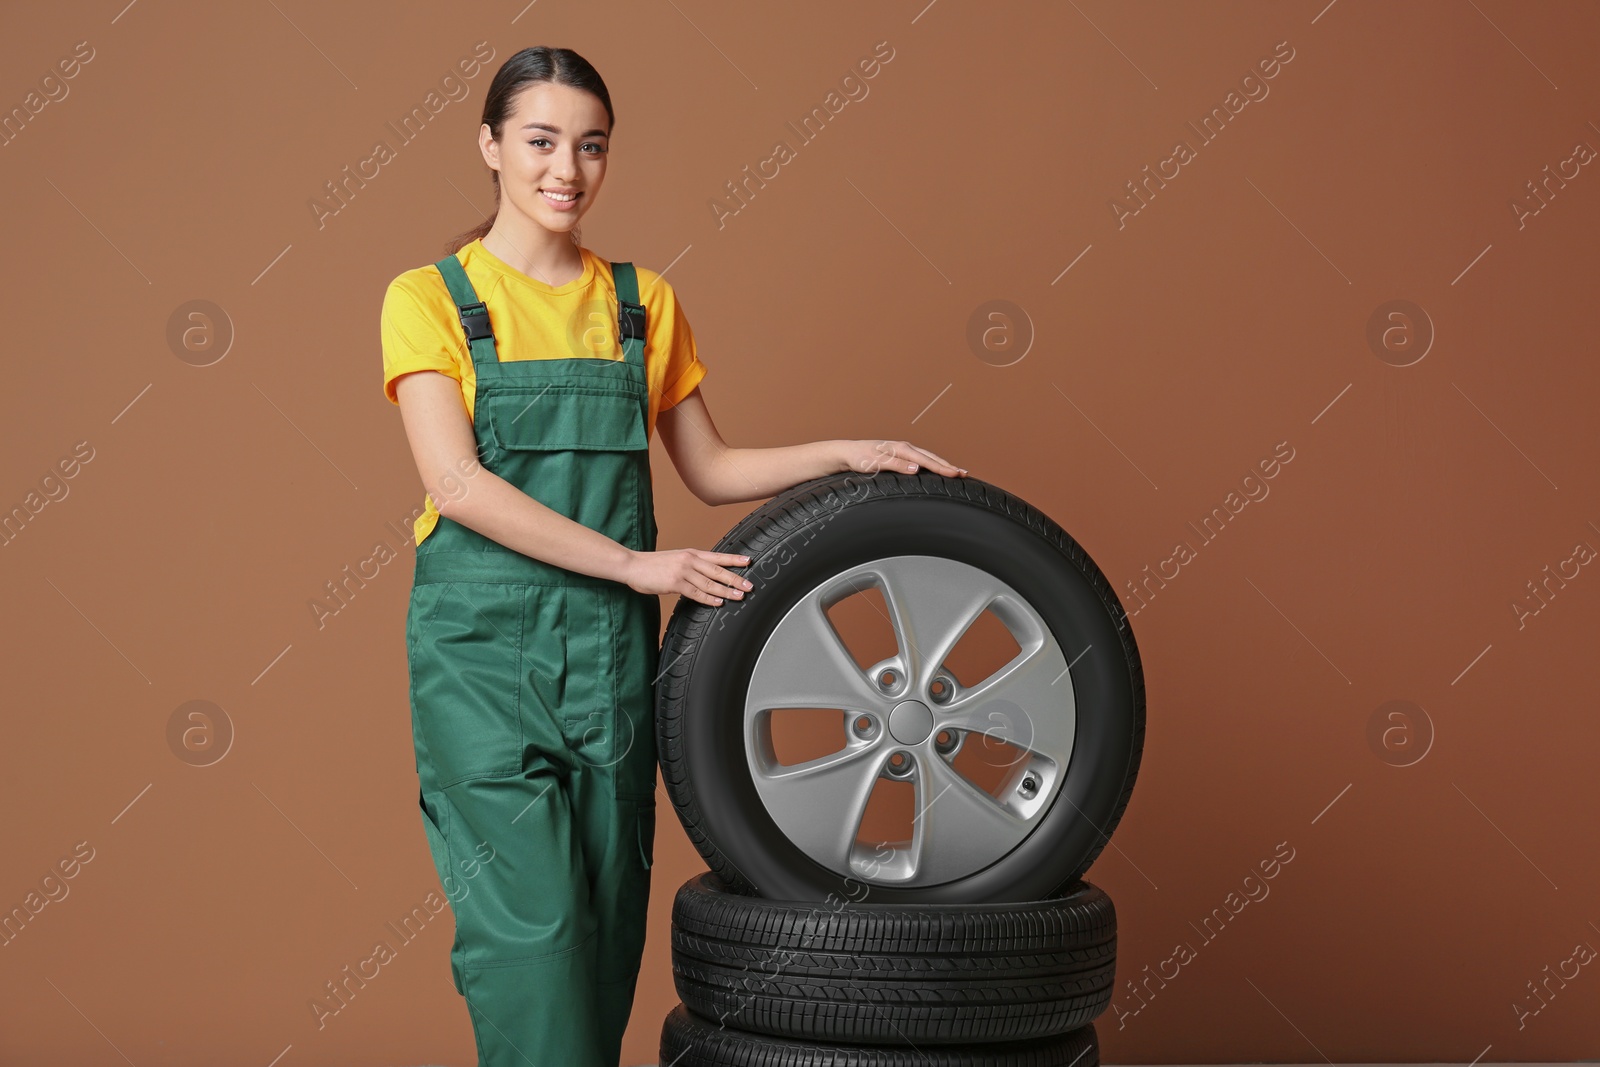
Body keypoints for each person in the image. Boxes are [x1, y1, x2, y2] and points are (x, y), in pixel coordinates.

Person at [379, 45, 967, 1067]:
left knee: (604, 945)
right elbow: (457, 485)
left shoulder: (639, 303)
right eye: (540, 141)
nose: (566, 168)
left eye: (590, 145)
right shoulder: (427, 298)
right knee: (534, 942)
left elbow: (710, 465)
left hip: (609, 665)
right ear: (489, 146)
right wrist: (635, 566)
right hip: (479, 659)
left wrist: (847, 450)